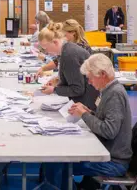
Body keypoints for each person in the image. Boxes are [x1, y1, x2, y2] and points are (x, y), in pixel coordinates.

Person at [44, 54, 132, 190]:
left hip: (113, 162)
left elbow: (109, 131)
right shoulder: (108, 90)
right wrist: (89, 112)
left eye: (90, 78)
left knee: (57, 165)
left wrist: (84, 114)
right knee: (57, 161)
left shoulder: (115, 94)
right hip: (107, 152)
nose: (89, 82)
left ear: (102, 74)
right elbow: (105, 120)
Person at [38, 22, 99, 111]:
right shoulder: (67, 50)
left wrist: (54, 90)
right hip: (84, 101)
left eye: (46, 48)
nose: (46, 52)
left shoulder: (68, 55)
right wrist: (58, 83)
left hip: (87, 105)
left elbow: (77, 89)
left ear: (55, 42)